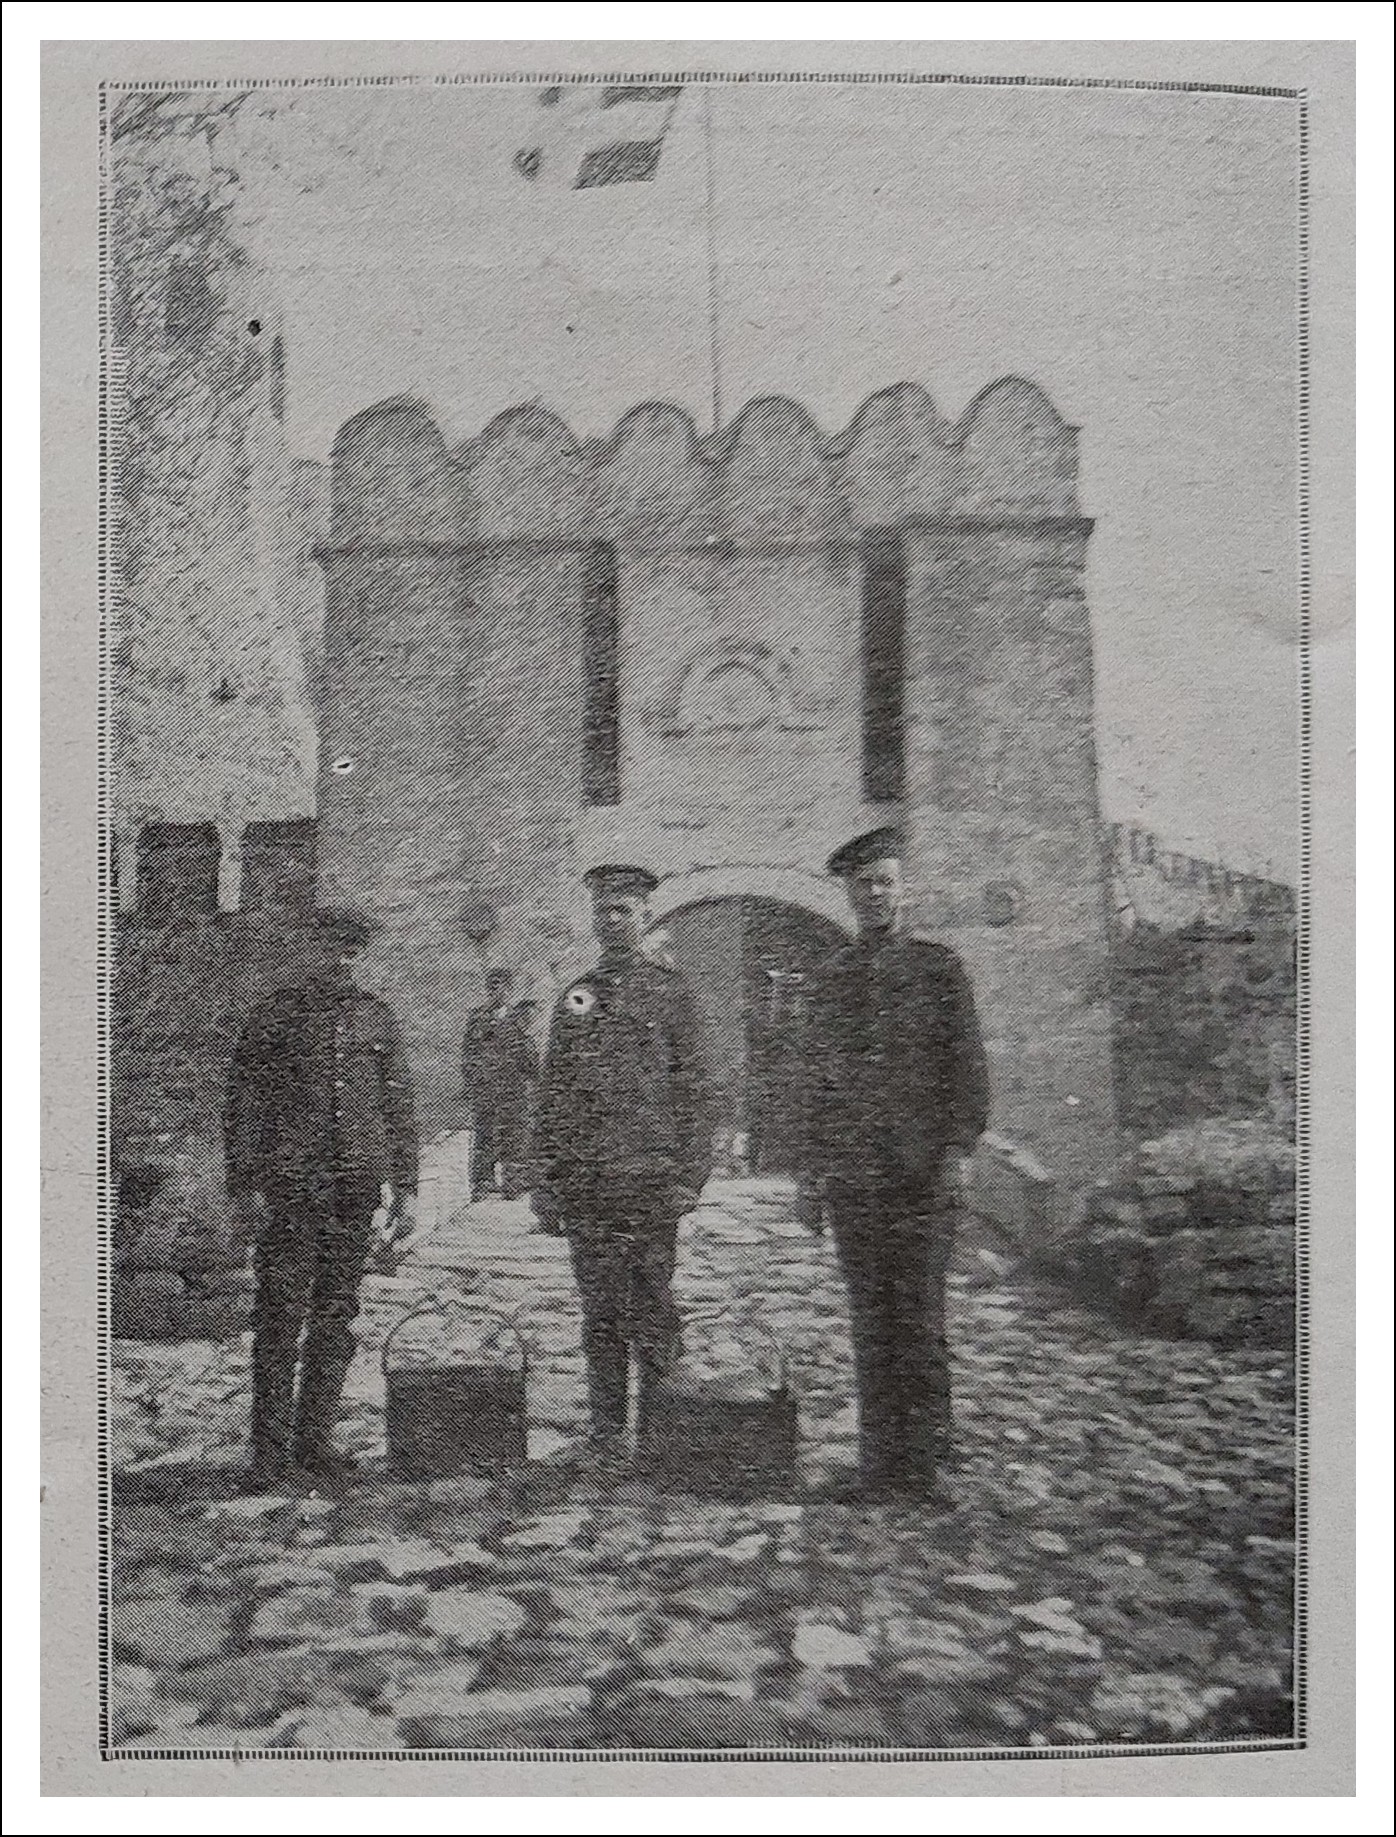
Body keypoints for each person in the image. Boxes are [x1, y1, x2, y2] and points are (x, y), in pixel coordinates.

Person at [798, 828, 990, 1504]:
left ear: (903, 889)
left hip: (921, 1173)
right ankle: (881, 1465)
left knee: (920, 1316)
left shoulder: (939, 969)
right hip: (856, 1178)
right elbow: (816, 1085)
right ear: (849, 895)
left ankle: (928, 1460)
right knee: (872, 1321)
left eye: (885, 881)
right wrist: (811, 1175)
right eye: (863, 884)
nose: (875, 894)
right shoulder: (833, 977)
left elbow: (967, 1066)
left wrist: (959, 1150)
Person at [224, 906, 418, 1488]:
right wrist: (245, 1185)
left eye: (350, 951)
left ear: (360, 956)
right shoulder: (275, 1015)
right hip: (293, 1188)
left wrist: (406, 1187)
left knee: (337, 1314)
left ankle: (314, 1442)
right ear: (309, 950)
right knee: (280, 1314)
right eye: (330, 948)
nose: (340, 960)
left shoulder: (375, 1017)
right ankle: (268, 1452)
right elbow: (244, 1107)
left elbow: (397, 1106)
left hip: (355, 1187)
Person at [531, 865, 714, 1462]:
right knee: (600, 1310)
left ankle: (661, 1432)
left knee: (653, 1305)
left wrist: (690, 1176)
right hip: (589, 1182)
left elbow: (696, 1089)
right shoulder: (577, 997)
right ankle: (608, 1431)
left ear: (644, 916)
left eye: (624, 910)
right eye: (604, 911)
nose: (613, 921)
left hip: (650, 1181)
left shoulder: (672, 992)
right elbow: (555, 1092)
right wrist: (546, 1179)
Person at [462, 968, 539, 1198]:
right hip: (486, 1089)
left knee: (515, 1134)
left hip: (512, 1089)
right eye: (492, 987)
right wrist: (473, 1082)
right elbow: (468, 1054)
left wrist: (526, 1036)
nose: (496, 992)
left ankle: (513, 1182)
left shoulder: (519, 1019)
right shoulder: (477, 1018)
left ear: (510, 989)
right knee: (485, 1134)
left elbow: (531, 1062)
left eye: (501, 987)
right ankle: (482, 1182)